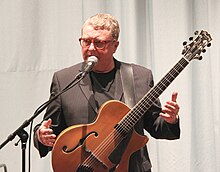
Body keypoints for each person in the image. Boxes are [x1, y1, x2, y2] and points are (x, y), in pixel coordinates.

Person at [34, 13, 180, 172]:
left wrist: (171, 120)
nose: (91, 48)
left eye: (99, 43)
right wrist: (41, 136)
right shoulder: (64, 79)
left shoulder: (139, 77)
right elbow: (50, 128)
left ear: (115, 46)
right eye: (86, 41)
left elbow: (156, 126)